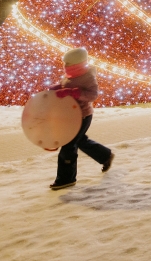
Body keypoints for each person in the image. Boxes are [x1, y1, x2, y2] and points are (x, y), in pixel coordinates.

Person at [49, 48, 114, 190]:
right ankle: (105, 155)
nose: (65, 65)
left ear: (77, 64)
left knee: (68, 145)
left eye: (68, 63)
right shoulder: (70, 75)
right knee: (80, 141)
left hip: (83, 115)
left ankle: (66, 179)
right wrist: (58, 88)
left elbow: (92, 94)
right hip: (71, 116)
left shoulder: (87, 76)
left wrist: (73, 93)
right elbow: (66, 85)